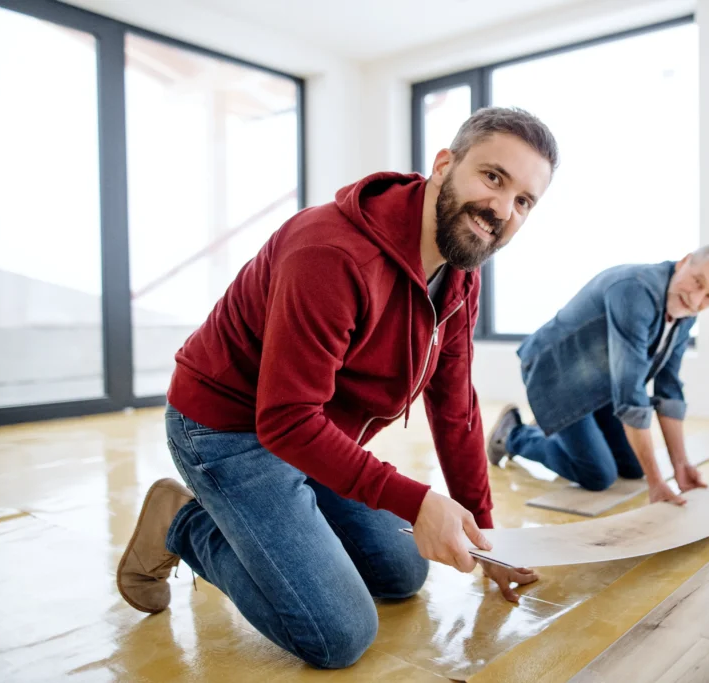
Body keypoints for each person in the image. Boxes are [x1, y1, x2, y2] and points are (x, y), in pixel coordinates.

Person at [115, 107, 558, 669]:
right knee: (338, 634)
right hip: (227, 429)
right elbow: (285, 420)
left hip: (307, 433)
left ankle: (283, 519)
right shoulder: (331, 253)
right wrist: (417, 500)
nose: (502, 209)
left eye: (524, 201)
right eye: (493, 178)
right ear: (444, 165)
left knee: (403, 573)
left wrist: (484, 536)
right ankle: (183, 523)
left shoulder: (460, 274)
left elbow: (455, 409)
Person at [486, 245, 709, 505]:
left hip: (600, 384)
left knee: (633, 467)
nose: (697, 300)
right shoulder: (635, 291)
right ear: (684, 262)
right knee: (598, 474)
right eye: (698, 282)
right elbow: (631, 395)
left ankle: (553, 426)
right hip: (557, 379)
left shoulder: (685, 312)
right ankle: (514, 435)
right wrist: (657, 484)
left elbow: (669, 389)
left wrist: (681, 466)